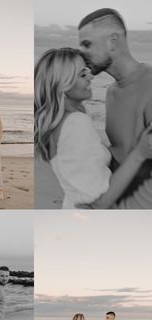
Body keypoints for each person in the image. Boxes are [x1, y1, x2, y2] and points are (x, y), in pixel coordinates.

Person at [35, 48, 152, 209]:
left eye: (88, 71)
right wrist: (139, 152)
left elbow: (83, 165)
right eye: (83, 75)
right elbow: (100, 201)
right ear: (63, 85)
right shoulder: (75, 124)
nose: (91, 77)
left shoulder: (60, 124)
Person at [78, 8, 152, 208]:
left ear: (113, 41)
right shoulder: (111, 92)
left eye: (87, 44)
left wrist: (119, 210)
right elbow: (123, 152)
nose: (81, 53)